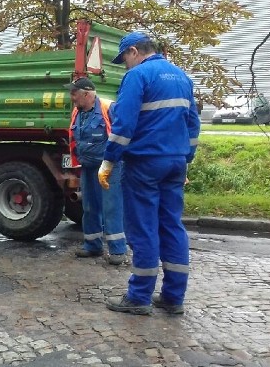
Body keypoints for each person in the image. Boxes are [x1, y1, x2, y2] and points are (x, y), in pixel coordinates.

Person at [99, 31, 201, 316]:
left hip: (144, 163)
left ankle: (139, 297)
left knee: (143, 227)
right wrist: (186, 159)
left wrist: (108, 161)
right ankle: (173, 297)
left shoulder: (138, 76)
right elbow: (193, 124)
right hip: (175, 162)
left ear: (134, 51)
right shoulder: (182, 77)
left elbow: (124, 124)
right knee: (171, 225)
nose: (125, 65)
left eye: (125, 59)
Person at [65, 77, 126, 265]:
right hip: (88, 166)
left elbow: (124, 133)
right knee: (89, 207)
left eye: (74, 93)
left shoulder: (109, 107)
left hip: (109, 167)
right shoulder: (78, 112)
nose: (71, 97)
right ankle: (92, 245)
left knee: (111, 207)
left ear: (86, 94)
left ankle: (118, 250)